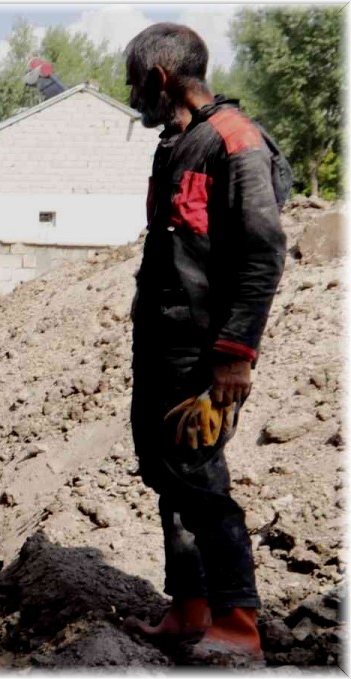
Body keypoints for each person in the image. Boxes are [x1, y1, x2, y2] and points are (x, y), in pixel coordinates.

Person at [121, 23, 286, 665]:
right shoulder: (178, 144)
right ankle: (187, 609)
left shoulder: (234, 142)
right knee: (169, 474)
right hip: (165, 346)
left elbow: (262, 253)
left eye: (136, 86)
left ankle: (238, 621)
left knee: (200, 477)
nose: (135, 99)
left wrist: (234, 352)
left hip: (205, 353)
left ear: (161, 79)